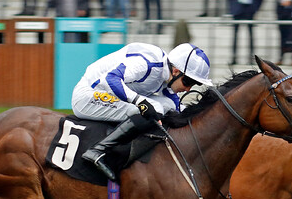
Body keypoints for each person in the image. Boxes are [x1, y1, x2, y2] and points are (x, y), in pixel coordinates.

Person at [72, 42, 212, 180]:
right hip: (87, 96)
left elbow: (175, 105)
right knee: (153, 108)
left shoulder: (166, 73)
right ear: (175, 71)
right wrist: (139, 101)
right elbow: (111, 79)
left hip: (109, 94)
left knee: (166, 105)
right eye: (187, 81)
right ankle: (97, 150)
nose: (188, 89)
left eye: (194, 84)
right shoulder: (148, 64)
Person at [227, 0, 263, 65]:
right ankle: (234, 57)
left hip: (249, 8)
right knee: (235, 34)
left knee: (251, 34)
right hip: (238, 7)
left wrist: (255, 7)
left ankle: (251, 57)